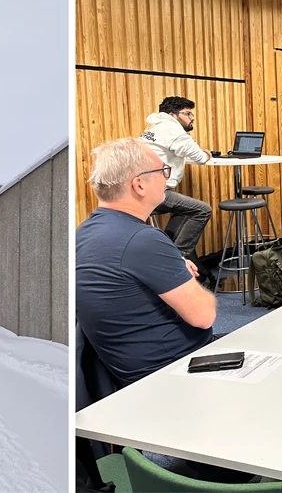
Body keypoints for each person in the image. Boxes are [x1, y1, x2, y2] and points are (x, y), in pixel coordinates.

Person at [76, 138, 216, 387]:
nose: (167, 178)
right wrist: (182, 273)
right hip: (177, 374)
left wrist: (173, 266)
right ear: (139, 184)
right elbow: (204, 316)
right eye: (163, 171)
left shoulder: (85, 232)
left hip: (127, 373)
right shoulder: (143, 240)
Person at [140, 96, 213, 276]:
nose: (192, 117)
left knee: (185, 210)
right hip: (153, 193)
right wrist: (207, 154)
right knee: (203, 210)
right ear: (173, 115)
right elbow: (199, 157)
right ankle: (178, 259)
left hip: (138, 190)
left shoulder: (154, 128)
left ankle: (169, 251)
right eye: (188, 113)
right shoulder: (173, 130)